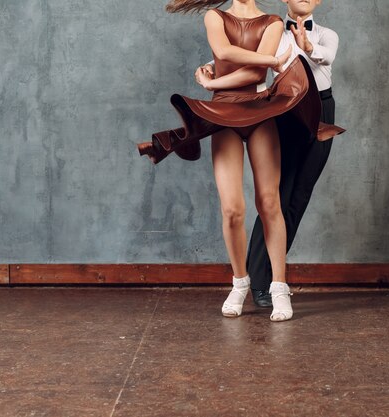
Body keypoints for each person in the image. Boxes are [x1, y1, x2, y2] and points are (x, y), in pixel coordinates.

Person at [136, 0, 345, 321]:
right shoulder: (220, 18)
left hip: (290, 108)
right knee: (236, 208)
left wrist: (216, 79)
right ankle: (247, 283)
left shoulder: (287, 25)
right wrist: (217, 69)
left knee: (283, 198)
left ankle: (277, 285)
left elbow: (260, 68)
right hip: (250, 110)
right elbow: (228, 53)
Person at [197, 0, 341, 307]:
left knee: (298, 194)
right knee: (274, 196)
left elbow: (326, 56)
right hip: (282, 108)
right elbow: (241, 61)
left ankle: (268, 279)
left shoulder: (324, 33)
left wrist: (307, 47)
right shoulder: (273, 29)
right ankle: (262, 283)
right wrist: (213, 69)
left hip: (319, 107)